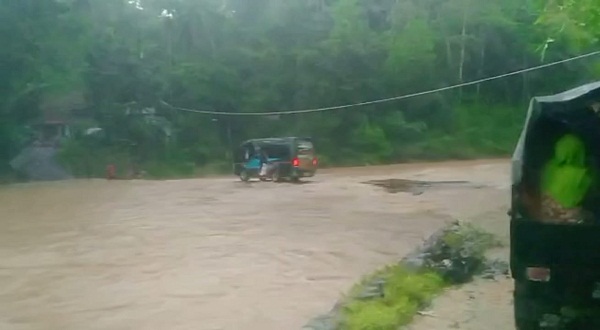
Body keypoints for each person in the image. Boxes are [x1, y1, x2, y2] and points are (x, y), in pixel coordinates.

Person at [539, 133, 594, 224]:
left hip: (547, 216)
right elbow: (591, 198)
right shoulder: (584, 174)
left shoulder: (548, 167)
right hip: (570, 220)